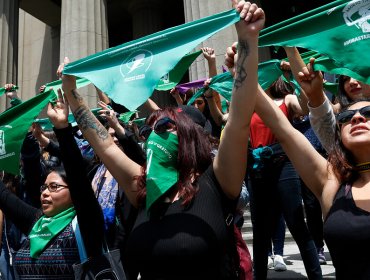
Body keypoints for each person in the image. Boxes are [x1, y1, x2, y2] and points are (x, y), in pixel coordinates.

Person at [58, 1, 264, 279]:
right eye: (149, 129)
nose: (152, 133)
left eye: (164, 125)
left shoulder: (218, 182)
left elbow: (238, 120)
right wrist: (71, 92)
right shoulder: (143, 188)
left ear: (189, 135)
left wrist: (248, 39)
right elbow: (105, 144)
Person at [253, 54, 370, 278]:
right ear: (338, 134)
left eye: (368, 113)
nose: (357, 118)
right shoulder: (331, 181)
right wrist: (245, 64)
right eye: (346, 117)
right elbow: (282, 128)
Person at [0, 90, 106, 279]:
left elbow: (78, 175)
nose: (45, 194)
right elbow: (4, 196)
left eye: (54, 187)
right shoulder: (37, 222)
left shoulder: (85, 223)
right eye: (44, 188)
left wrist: (62, 129)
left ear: (73, 192)